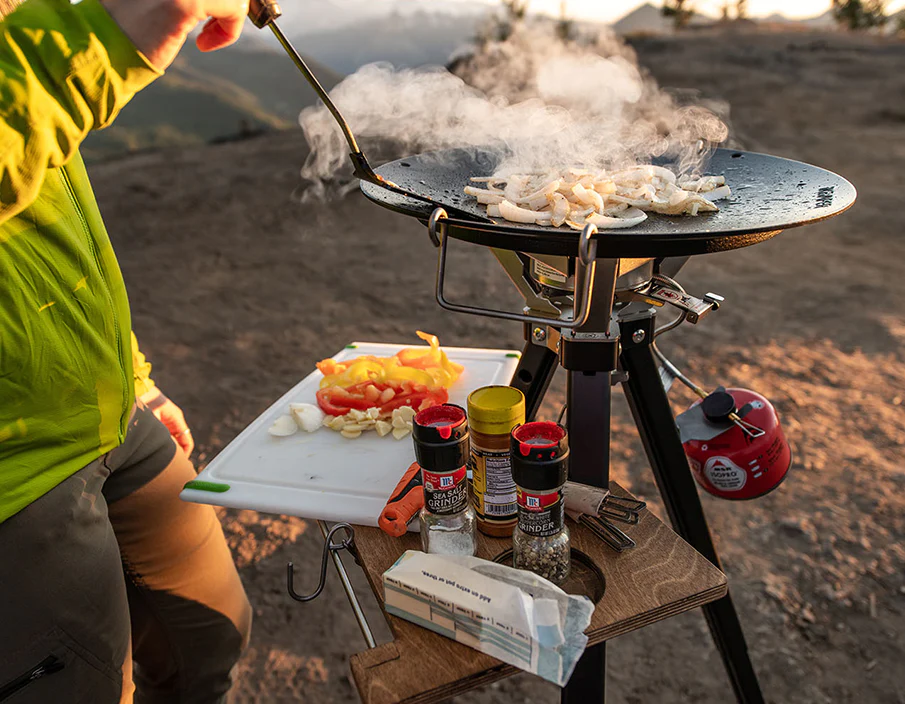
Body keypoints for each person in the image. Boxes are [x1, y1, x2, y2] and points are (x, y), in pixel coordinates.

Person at [0, 0, 254, 700]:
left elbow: (42, 230)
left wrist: (130, 372)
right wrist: (99, 38)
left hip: (109, 410)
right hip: (14, 473)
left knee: (211, 636)